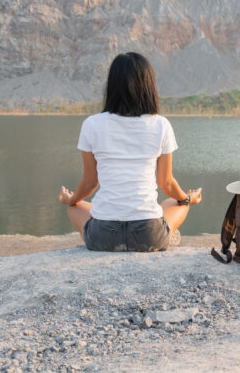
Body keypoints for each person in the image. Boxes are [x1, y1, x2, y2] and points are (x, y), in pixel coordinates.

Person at [58, 52, 202, 252]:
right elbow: (166, 183)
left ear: (112, 85)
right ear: (148, 86)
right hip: (147, 236)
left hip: (103, 236)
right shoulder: (161, 124)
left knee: (76, 207)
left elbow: (91, 182)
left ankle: (96, 226)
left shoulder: (92, 124)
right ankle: (168, 232)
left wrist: (71, 199)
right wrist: (188, 199)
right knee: (176, 202)